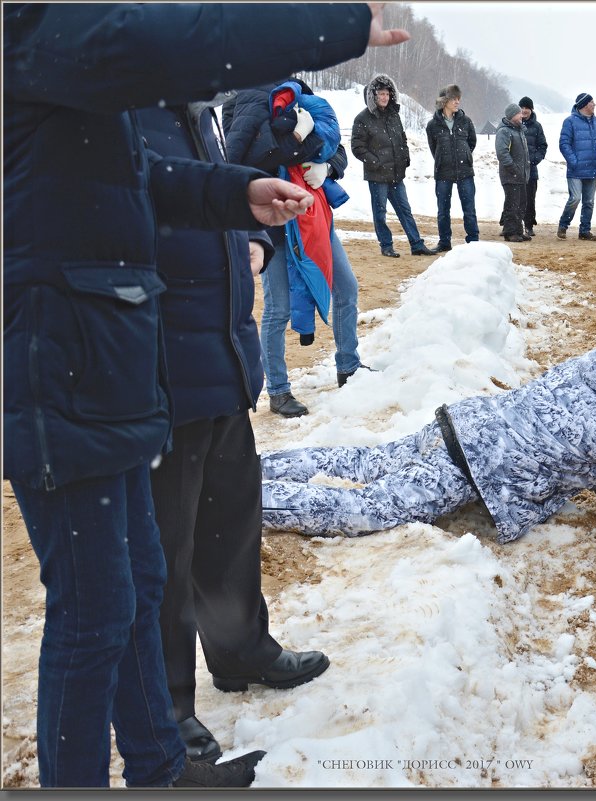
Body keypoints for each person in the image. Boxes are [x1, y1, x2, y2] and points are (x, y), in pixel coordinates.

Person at [3, 2, 407, 787]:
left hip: (109, 360)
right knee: (91, 616)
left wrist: (235, 198)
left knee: (139, 584)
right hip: (60, 368)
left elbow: (143, 178)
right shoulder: (35, 27)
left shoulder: (75, 60)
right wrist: (341, 24)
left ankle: (161, 767)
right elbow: (180, 38)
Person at [133, 99, 332, 766]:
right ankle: (168, 710)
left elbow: (220, 201)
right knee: (165, 552)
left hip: (220, 358)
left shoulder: (194, 109)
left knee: (230, 521)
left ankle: (240, 648)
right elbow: (137, 212)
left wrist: (252, 239)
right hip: (164, 369)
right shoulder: (120, 104)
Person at [259, 338, 596, 542]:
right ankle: (243, 499)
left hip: (464, 423)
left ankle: (254, 465)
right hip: (475, 465)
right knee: (369, 510)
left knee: (367, 461)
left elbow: (578, 439)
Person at [223, 79, 369, 416]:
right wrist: (300, 139)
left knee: (346, 288)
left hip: (313, 217)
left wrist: (327, 166)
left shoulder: (300, 94)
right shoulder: (245, 98)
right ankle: (277, 390)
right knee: (278, 308)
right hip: (273, 224)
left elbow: (338, 148)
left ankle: (349, 367)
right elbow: (249, 157)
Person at [351, 73, 436, 258]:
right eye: (381, 94)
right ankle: (386, 245)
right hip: (377, 175)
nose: (384, 97)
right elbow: (357, 147)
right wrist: (376, 161)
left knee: (405, 210)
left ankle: (416, 244)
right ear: (373, 95)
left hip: (397, 173)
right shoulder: (362, 118)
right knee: (380, 212)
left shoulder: (393, 115)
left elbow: (402, 139)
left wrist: (405, 157)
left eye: (387, 94)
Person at [426, 83, 479, 252]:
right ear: (444, 101)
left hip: (465, 172)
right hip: (443, 172)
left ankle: (473, 241)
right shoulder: (432, 125)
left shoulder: (466, 121)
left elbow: (472, 142)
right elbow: (433, 148)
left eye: (458, 99)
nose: (457, 102)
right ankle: (444, 242)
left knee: (469, 209)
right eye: (453, 99)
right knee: (443, 210)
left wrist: (464, 156)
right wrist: (444, 159)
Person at [557, 92, 596, 241]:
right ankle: (563, 225)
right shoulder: (569, 122)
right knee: (575, 198)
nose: (594, 104)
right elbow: (564, 144)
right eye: (592, 102)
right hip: (576, 169)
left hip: (592, 167)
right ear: (584, 105)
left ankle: (585, 231)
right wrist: (574, 161)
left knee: (589, 202)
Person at [496, 102, 530, 242]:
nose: (521, 115)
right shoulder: (504, 131)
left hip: (521, 175)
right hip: (511, 176)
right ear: (511, 116)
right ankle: (510, 233)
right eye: (518, 113)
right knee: (512, 204)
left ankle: (518, 230)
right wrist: (514, 169)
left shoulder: (519, 130)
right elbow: (502, 153)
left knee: (521, 204)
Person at [518, 97, 548, 237]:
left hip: (531, 169)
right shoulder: (514, 124)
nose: (524, 111)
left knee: (530, 198)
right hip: (515, 169)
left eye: (527, 108)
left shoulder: (537, 126)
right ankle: (511, 224)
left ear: (531, 110)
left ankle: (529, 225)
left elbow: (543, 146)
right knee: (514, 197)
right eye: (522, 108)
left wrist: (534, 160)